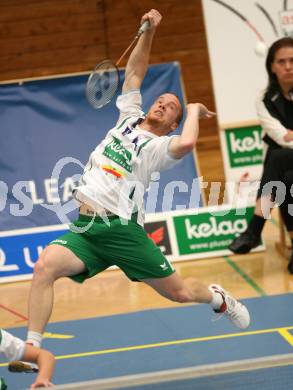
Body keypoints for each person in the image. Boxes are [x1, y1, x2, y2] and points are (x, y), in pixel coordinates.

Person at [16, 9, 250, 370]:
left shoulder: (159, 148)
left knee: (181, 292)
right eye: (162, 100)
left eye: (171, 107)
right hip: (87, 228)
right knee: (45, 266)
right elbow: (136, 72)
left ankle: (218, 298)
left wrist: (192, 110)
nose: (162, 103)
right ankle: (32, 351)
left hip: (122, 230)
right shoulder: (128, 116)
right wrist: (149, 31)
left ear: (172, 123)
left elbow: (187, 145)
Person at [228, 37, 293, 273]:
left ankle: (254, 230)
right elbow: (281, 136)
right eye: (282, 61)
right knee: (286, 177)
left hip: (282, 157)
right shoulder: (264, 98)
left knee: (277, 159)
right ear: (272, 67)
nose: (288, 66)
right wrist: (288, 136)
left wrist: (289, 136)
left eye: (292, 60)